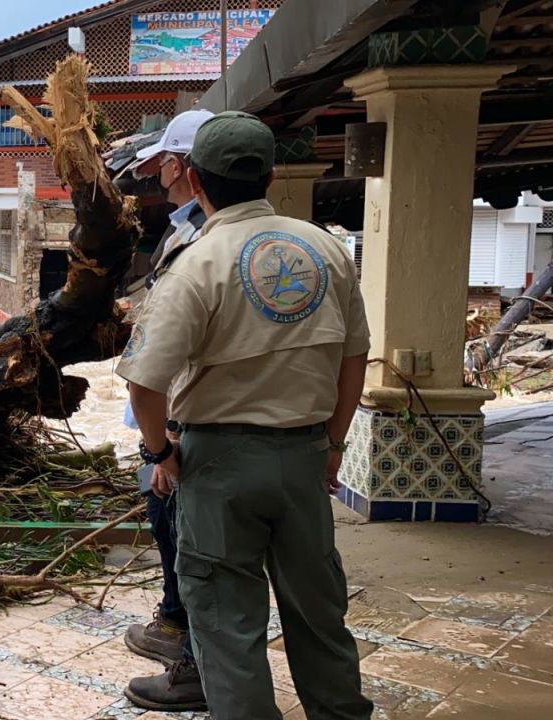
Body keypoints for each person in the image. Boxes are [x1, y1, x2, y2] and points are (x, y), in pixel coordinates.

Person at [116, 111, 374, 720]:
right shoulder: (327, 249)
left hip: (220, 466)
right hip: (306, 458)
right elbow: (355, 356)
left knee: (227, 628)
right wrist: (333, 445)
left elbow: (144, 384)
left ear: (197, 180)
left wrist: (161, 454)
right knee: (319, 616)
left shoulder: (198, 262)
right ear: (271, 175)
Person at [115, 109, 213, 713]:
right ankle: (175, 621)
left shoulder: (206, 241)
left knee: (187, 536)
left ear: (183, 166)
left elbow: (174, 359)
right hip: (176, 416)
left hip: (183, 419)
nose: (157, 176)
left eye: (164, 165)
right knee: (167, 522)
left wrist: (163, 445)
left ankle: (191, 653)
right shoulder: (187, 229)